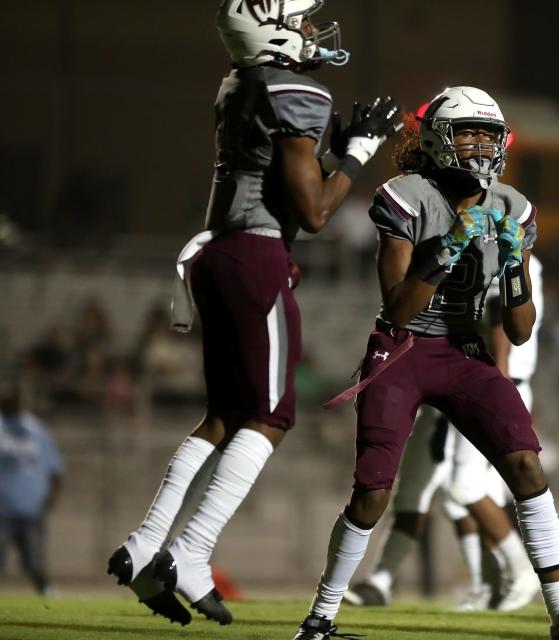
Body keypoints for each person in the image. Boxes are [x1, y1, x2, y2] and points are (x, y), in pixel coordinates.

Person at [291, 87, 559, 640]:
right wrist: (446, 250)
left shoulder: (513, 207)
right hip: (403, 349)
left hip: (464, 348)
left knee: (526, 465)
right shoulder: (407, 195)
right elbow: (398, 308)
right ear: (439, 138)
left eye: (489, 135)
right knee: (373, 491)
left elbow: (518, 330)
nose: (481, 145)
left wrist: (515, 266)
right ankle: (319, 619)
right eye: (468, 132)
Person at [106, 0, 399, 626]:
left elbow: (277, 178)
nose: (315, 32)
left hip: (218, 249)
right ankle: (189, 549)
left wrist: (336, 153)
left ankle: (143, 543)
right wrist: (358, 155)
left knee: (225, 415)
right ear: (272, 30)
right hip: (255, 255)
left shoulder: (240, 82)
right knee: (271, 416)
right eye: (303, 21)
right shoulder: (295, 88)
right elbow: (316, 212)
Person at [344, 256, 544, 612]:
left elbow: (501, 321)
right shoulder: (500, 248)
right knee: (420, 486)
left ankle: (517, 572)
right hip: (456, 376)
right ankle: (386, 579)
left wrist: (495, 388)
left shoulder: (498, 248)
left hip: (480, 381)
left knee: (463, 488)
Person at [0, 383, 64, 596]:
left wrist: (49, 501)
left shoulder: (36, 429)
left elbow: (55, 470)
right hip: (2, 510)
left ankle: (47, 593)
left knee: (34, 562)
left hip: (31, 510)